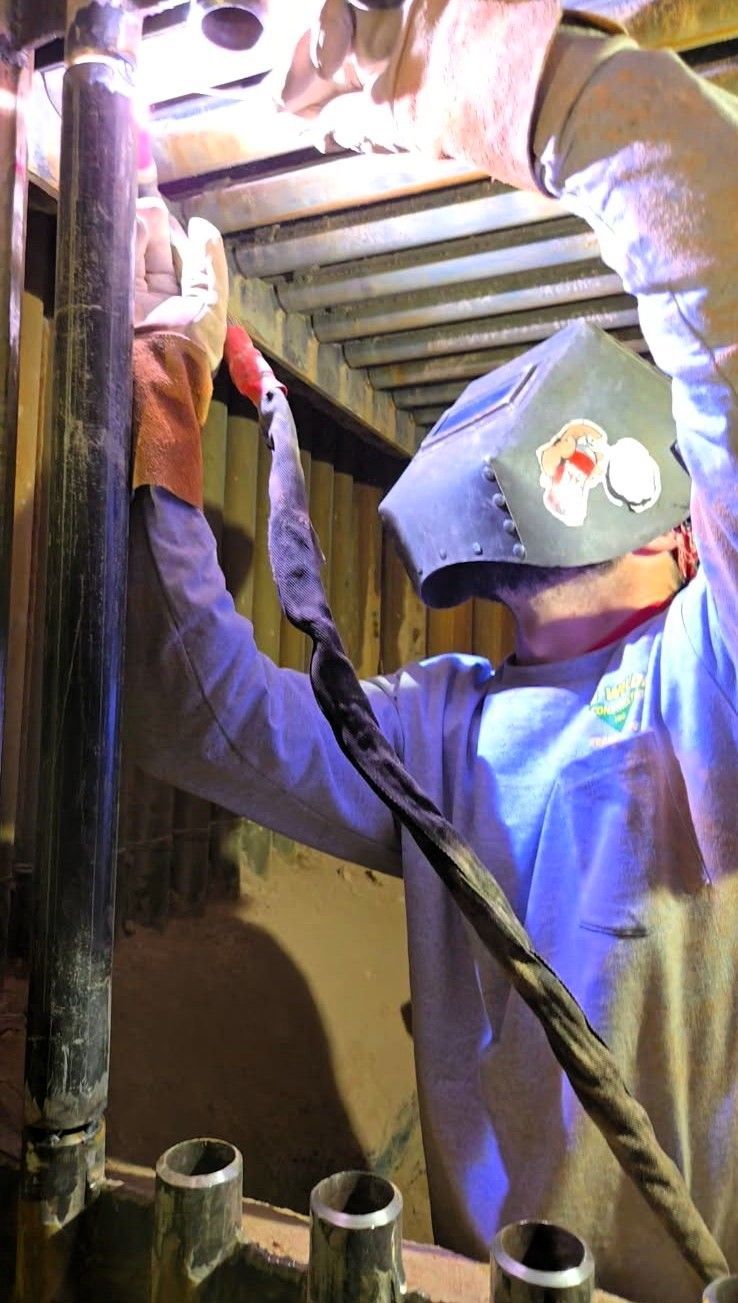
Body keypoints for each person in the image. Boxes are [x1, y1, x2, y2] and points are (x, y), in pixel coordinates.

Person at [127, 4, 738, 1300]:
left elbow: (712, 226)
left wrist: (431, 55)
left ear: (691, 537)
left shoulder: (710, 680)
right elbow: (199, 717)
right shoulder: (440, 727)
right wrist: (169, 428)